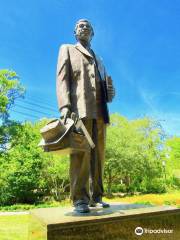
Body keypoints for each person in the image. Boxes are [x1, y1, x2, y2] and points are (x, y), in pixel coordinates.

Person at [56, 19, 115, 213]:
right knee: (81, 153)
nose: (84, 27)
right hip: (79, 109)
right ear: (75, 32)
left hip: (101, 112)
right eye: (80, 25)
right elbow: (62, 79)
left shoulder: (100, 59)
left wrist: (110, 92)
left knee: (98, 155)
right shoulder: (67, 49)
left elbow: (106, 87)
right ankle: (80, 199)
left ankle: (96, 196)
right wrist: (64, 106)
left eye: (88, 26)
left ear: (93, 34)